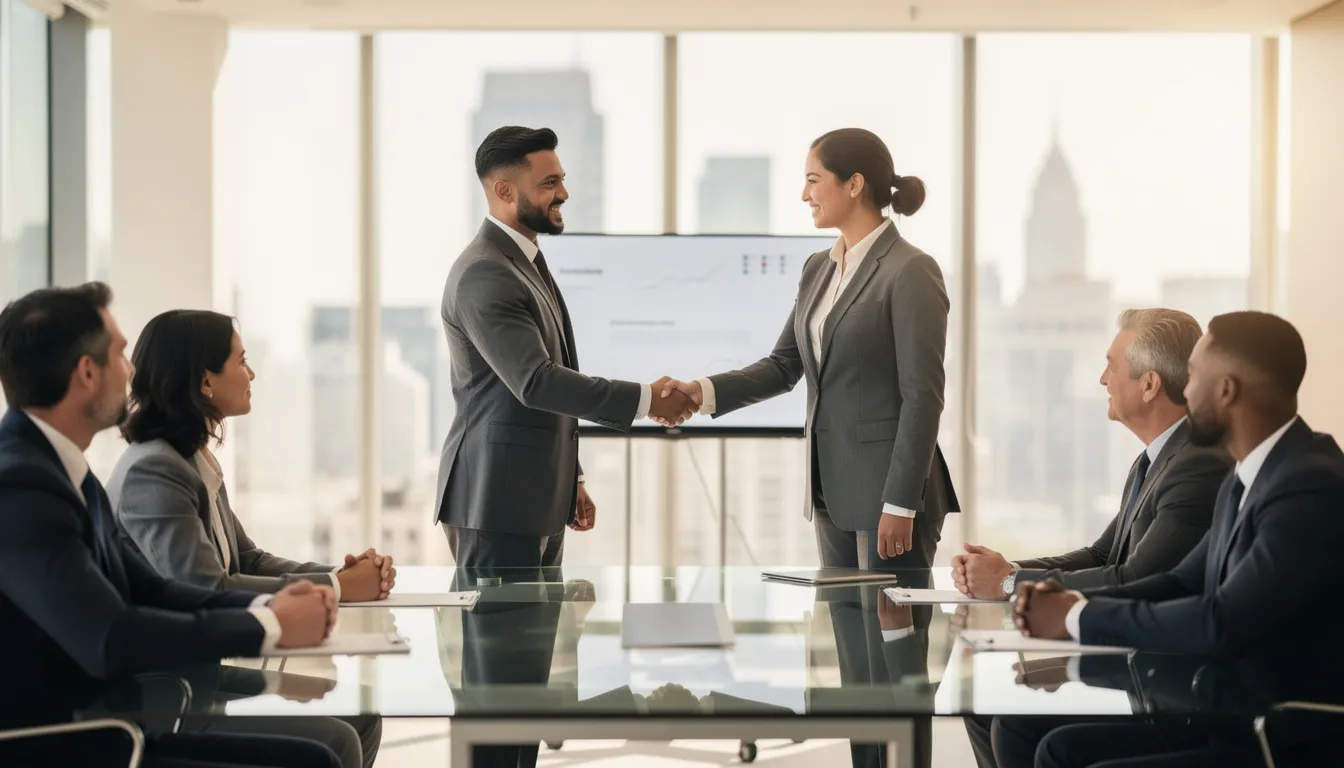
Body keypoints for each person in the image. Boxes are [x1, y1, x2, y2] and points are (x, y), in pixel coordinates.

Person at [661, 127, 956, 768]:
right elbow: (783, 365)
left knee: (898, 674)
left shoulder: (910, 271)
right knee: (855, 678)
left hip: (889, 506)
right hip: (831, 497)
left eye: (813, 180)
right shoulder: (820, 267)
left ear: (855, 185)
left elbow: (924, 396)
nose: (803, 194)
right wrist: (700, 392)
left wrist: (900, 504)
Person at [0, 283, 343, 768]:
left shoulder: (64, 474)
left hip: (113, 729)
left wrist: (272, 606)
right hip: (74, 744)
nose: (133, 369)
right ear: (87, 373)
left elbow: (154, 590)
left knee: (318, 754)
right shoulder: (20, 488)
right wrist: (267, 625)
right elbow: (110, 638)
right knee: (316, 759)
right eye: (120, 353)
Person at [1002, 311, 1344, 768]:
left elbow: (1221, 620)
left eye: (1195, 376)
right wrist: (1067, 604)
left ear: (1226, 390)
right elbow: (1181, 581)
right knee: (1056, 749)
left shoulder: (1310, 485)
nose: (1184, 390)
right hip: (1225, 713)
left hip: (1278, 738)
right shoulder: (1246, 478)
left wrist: (1078, 617)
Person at [104, 309, 388, 768]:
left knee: (363, 717)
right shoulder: (154, 471)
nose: (251, 372)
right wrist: (336, 590)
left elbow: (248, 560)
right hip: (166, 691)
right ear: (204, 382)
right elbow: (207, 589)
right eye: (240, 360)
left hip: (196, 673)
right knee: (335, 740)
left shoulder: (190, 457)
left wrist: (339, 576)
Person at [954, 309, 1231, 768]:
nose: (1103, 378)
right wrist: (1006, 570)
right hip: (1128, 653)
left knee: (1011, 716)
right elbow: (1103, 553)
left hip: (1161, 673)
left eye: (1112, 366)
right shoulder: (1157, 459)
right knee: (984, 703)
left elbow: (1141, 575)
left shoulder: (1197, 464)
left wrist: (1009, 584)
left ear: (1149, 385)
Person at [437, 125, 696, 570]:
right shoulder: (485, 272)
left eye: (562, 179)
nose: (564, 194)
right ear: (503, 190)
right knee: (504, 639)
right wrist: (648, 398)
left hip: (534, 498)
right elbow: (536, 381)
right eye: (549, 183)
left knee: (534, 638)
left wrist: (569, 476)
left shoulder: (523, 262)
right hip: (495, 503)